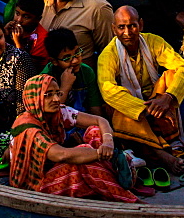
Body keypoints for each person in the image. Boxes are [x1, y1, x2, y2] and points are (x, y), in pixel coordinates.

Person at [9, 73, 137, 201]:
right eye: (48, 95)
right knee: (83, 160)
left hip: (54, 168)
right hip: (36, 185)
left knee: (95, 131)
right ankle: (123, 194)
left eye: (57, 93)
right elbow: (61, 155)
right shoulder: (28, 127)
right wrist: (101, 153)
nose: (56, 99)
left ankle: (110, 175)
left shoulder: (58, 112)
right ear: (34, 98)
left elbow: (100, 121)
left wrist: (108, 144)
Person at [97, 5, 184, 173]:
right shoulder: (108, 55)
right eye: (121, 27)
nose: (127, 32)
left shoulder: (154, 42)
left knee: (172, 74)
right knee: (115, 103)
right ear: (114, 29)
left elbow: (183, 69)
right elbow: (108, 90)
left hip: (156, 103)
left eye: (132, 25)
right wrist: (145, 109)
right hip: (135, 110)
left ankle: (162, 142)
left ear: (140, 25)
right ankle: (161, 152)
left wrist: (168, 97)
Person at [42, 27, 104, 114]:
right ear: (54, 61)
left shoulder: (87, 72)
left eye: (77, 53)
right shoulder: (45, 79)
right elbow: (53, 114)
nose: (75, 60)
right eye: (67, 58)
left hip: (84, 121)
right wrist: (65, 87)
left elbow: (95, 108)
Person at [4, 0, 48, 65]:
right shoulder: (9, 29)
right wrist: (3, 35)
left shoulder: (43, 39)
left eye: (26, 17)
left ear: (38, 19)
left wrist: (18, 44)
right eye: (17, 14)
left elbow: (29, 68)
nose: (19, 20)